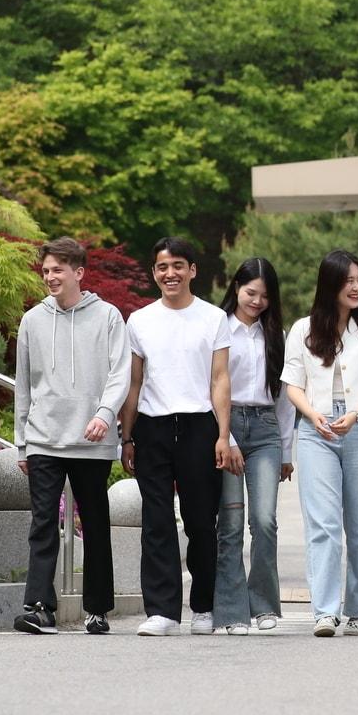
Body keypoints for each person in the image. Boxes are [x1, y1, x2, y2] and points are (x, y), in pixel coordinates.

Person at [121, 237, 244, 637]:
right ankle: (162, 611)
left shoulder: (213, 318)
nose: (169, 273)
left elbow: (220, 379)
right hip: (153, 428)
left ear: (192, 270)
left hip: (199, 427)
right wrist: (127, 437)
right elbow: (134, 383)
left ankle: (203, 606)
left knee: (200, 523)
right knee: (156, 521)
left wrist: (223, 435)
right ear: (154, 273)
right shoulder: (139, 320)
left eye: (177, 265)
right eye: (161, 267)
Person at [13, 237, 130, 635]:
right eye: (45, 270)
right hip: (45, 438)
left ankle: (97, 608)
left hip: (91, 440)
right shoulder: (32, 320)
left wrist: (104, 414)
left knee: (95, 523)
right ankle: (39, 607)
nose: (49, 277)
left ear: (79, 272)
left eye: (57, 270)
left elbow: (120, 374)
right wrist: (21, 442)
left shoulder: (109, 317)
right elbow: (23, 385)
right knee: (43, 523)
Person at [284, 249, 358, 637]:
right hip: (316, 431)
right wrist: (313, 415)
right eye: (348, 280)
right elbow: (293, 385)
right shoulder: (303, 329)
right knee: (324, 525)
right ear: (330, 284)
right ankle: (325, 611)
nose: (357, 287)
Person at [213, 258, 296, 636]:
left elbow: (284, 398)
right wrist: (224, 436)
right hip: (226, 427)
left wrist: (286, 451)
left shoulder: (275, 334)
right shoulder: (218, 327)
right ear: (236, 288)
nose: (257, 301)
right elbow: (211, 384)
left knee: (264, 520)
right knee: (229, 524)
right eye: (251, 293)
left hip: (264, 430)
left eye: (264, 296)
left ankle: (263, 603)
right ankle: (231, 611)